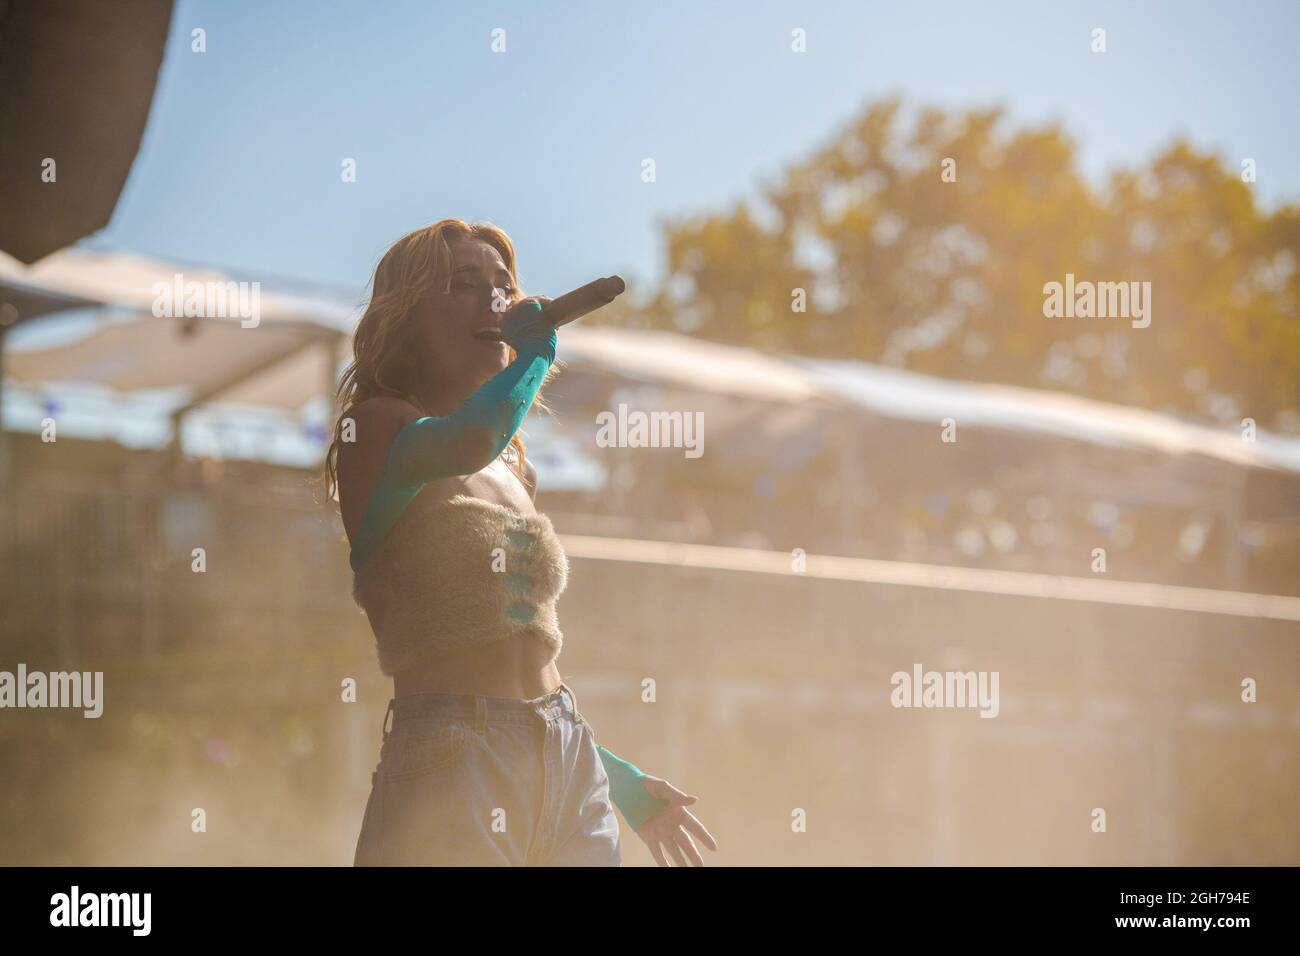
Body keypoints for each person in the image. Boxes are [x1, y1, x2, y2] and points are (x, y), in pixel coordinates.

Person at [325, 218, 717, 866]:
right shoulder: (375, 426)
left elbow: (530, 672)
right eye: (465, 284)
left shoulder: (513, 468)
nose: (496, 300)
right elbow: (464, 440)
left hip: (566, 756)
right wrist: (537, 353)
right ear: (408, 318)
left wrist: (617, 779)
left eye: (504, 285)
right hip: (455, 758)